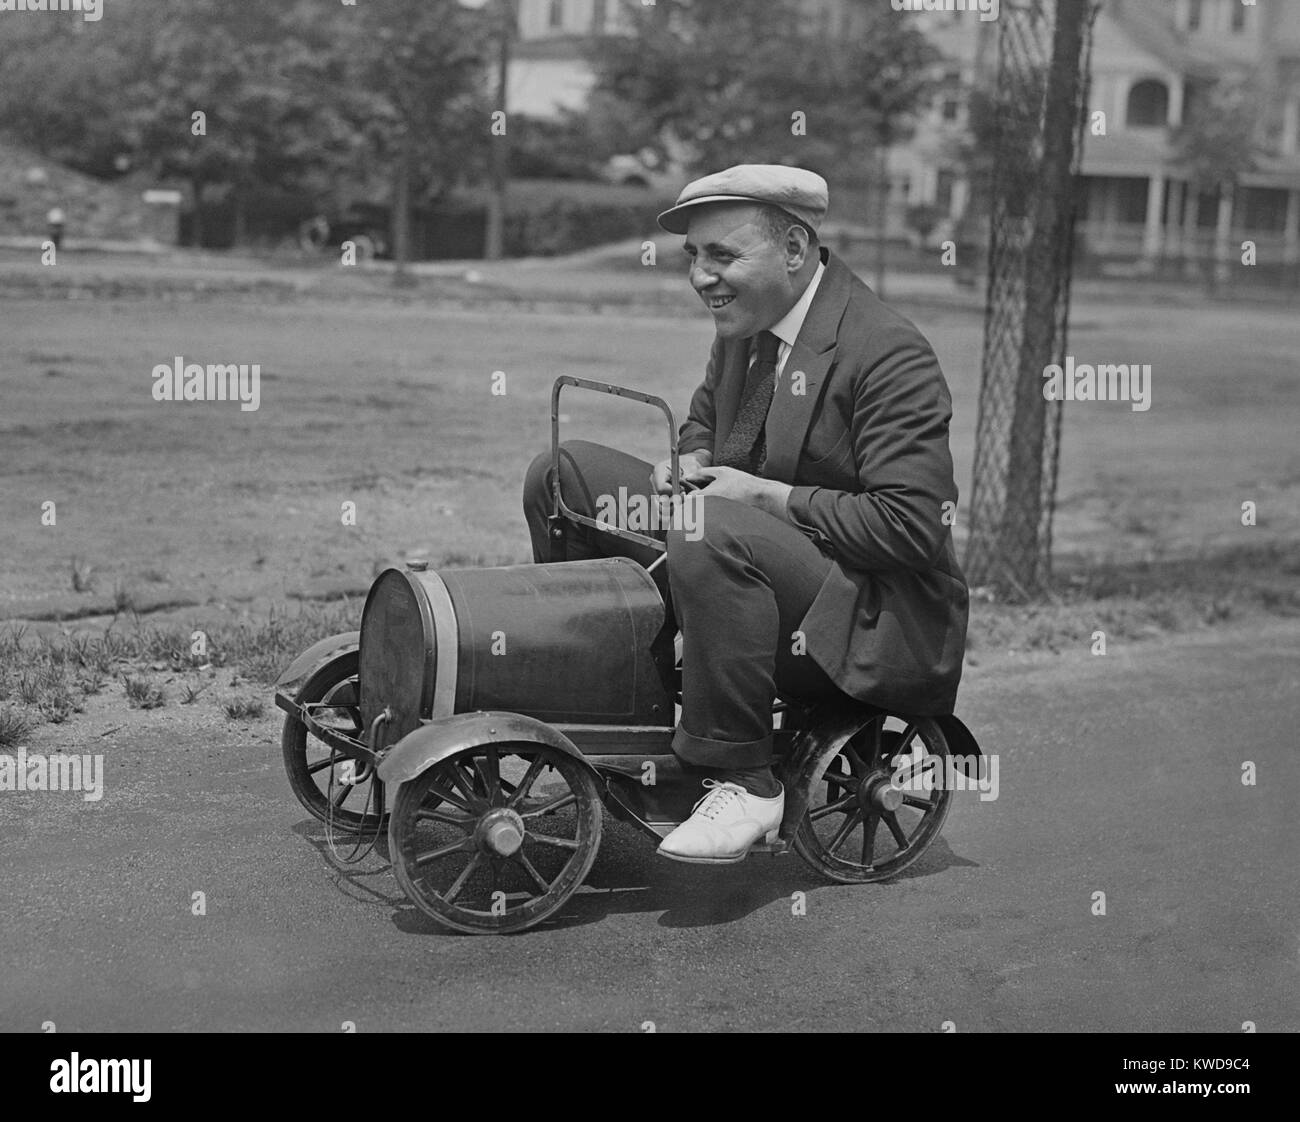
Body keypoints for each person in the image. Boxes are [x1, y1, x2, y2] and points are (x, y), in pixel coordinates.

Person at [522, 164, 968, 864]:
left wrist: (763, 497)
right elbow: (705, 423)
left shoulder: (887, 350)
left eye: (722, 256)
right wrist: (690, 461)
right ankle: (608, 704)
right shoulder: (747, 324)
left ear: (795, 249)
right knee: (564, 473)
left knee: (711, 526)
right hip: (743, 554)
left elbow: (912, 526)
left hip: (870, 605)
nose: (702, 277)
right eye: (693, 258)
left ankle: (746, 780)